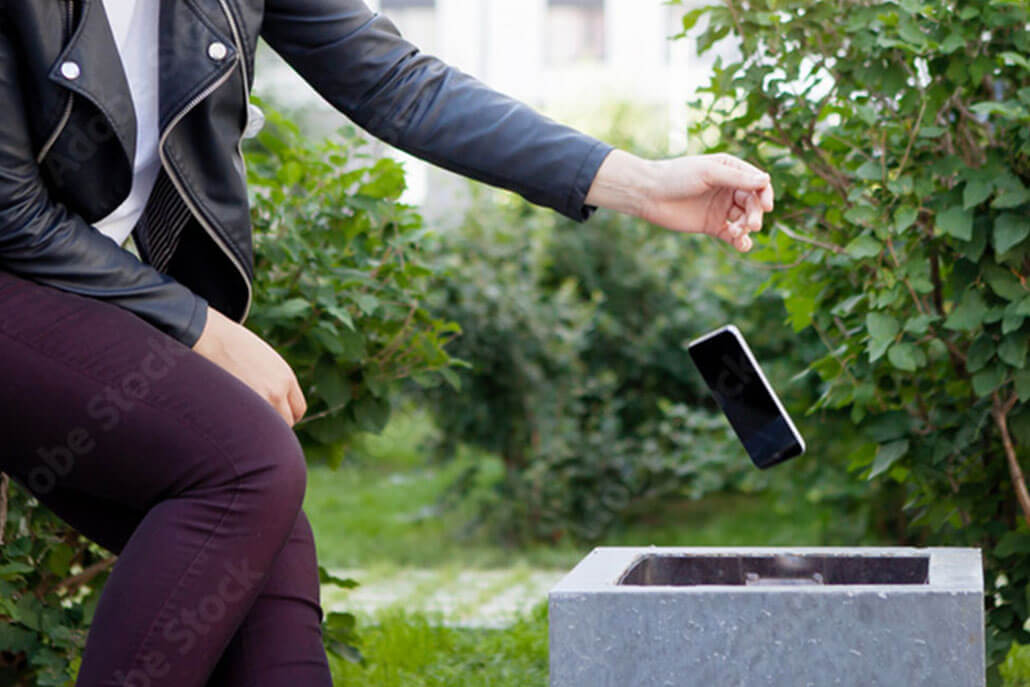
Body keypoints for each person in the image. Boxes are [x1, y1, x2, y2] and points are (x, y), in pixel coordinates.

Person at [0, 0, 774, 685]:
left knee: (264, 544)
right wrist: (200, 327)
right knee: (245, 465)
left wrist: (638, 181)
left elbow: (394, 80)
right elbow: (11, 217)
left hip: (73, 288)